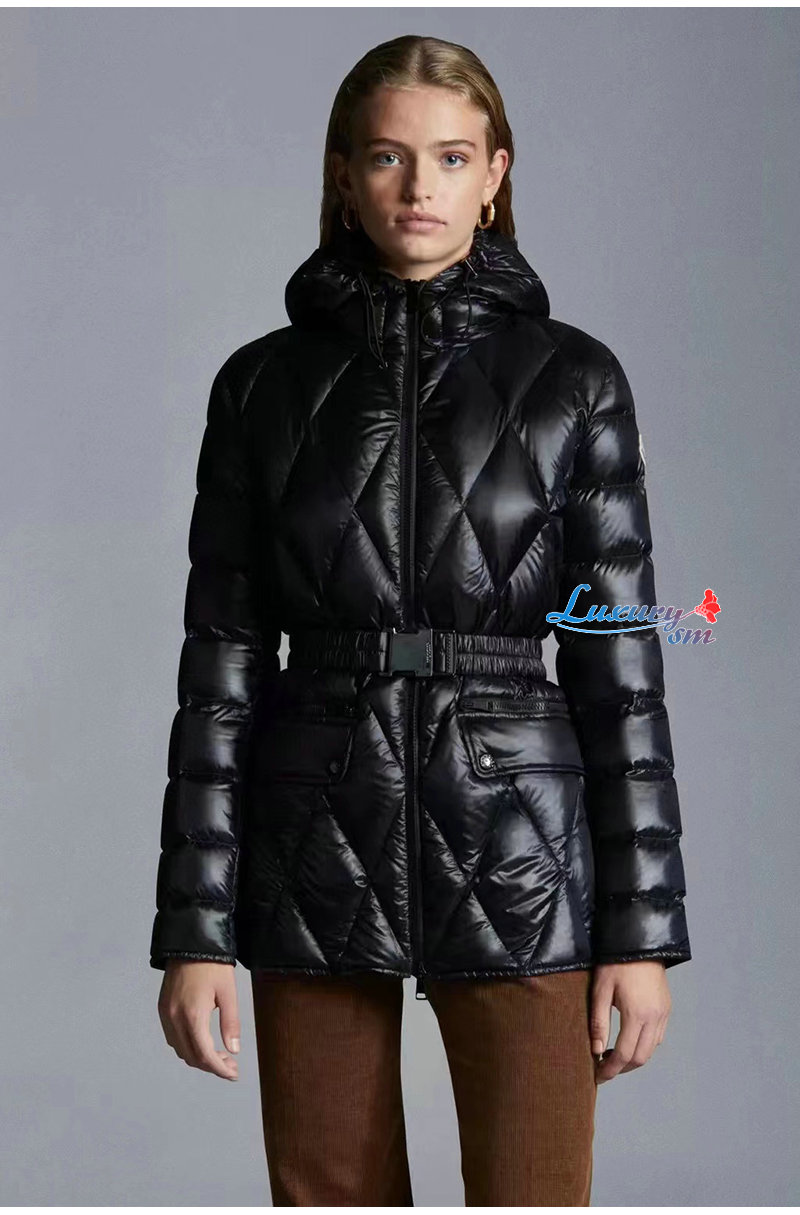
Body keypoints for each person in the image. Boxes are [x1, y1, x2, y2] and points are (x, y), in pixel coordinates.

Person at [150, 33, 691, 1207]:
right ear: (343, 175)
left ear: (493, 174)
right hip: (312, 838)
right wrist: (192, 932)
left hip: (521, 843)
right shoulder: (261, 386)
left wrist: (640, 934)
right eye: (387, 157)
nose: (417, 188)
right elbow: (220, 666)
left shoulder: (574, 381)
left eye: (449, 157)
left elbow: (618, 666)